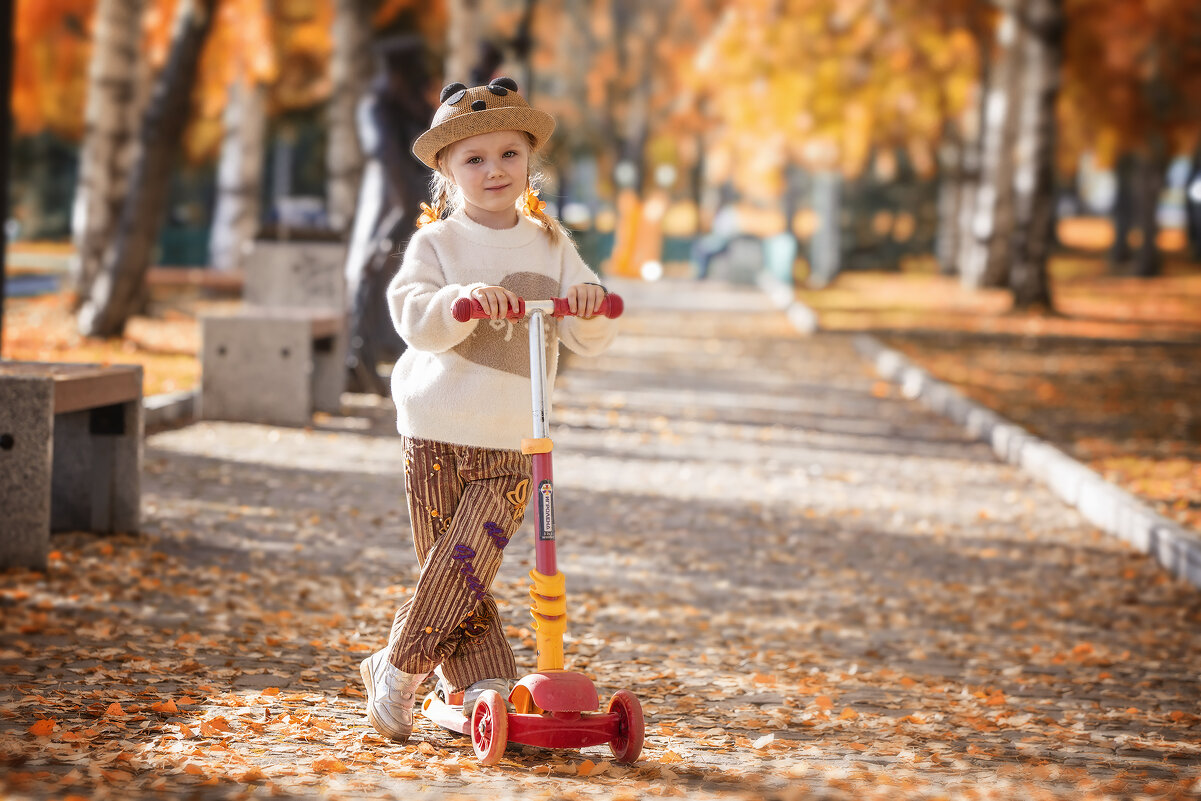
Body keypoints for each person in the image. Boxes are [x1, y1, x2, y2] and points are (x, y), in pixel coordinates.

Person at [360, 77, 619, 743]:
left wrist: (589, 302)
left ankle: (397, 665)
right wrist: (459, 300)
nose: (493, 169)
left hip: (513, 434)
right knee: (452, 565)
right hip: (436, 427)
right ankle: (481, 684)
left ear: (530, 160)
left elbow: (586, 322)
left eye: (508, 153)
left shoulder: (549, 243)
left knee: (467, 561)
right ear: (446, 169)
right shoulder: (437, 244)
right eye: (473, 158)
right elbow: (413, 314)